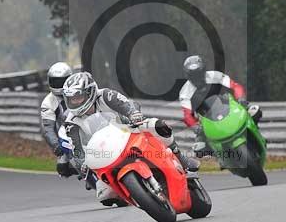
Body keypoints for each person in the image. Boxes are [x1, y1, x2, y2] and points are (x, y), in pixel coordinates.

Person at [61, 71, 200, 204]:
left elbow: (126, 104)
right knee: (105, 195)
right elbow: (76, 148)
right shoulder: (71, 121)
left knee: (158, 126)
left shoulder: (105, 95)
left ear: (89, 92)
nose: (75, 102)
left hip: (127, 130)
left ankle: (181, 159)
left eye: (78, 97)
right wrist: (82, 163)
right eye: (71, 99)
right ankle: (134, 193)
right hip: (104, 151)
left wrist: (133, 114)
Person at [178, 55, 260, 153]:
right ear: (188, 76)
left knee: (254, 110)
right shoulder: (185, 92)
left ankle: (256, 134)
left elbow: (235, 86)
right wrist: (194, 126)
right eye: (193, 76)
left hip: (229, 106)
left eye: (199, 74)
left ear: (204, 71)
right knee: (199, 148)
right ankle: (219, 154)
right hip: (206, 118)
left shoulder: (215, 75)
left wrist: (241, 98)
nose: (197, 78)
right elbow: (187, 114)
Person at [40, 61, 74, 177]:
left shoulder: (80, 90)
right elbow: (47, 128)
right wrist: (56, 146)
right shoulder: (47, 102)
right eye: (55, 81)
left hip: (88, 128)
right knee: (62, 168)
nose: (59, 85)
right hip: (67, 137)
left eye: (62, 81)